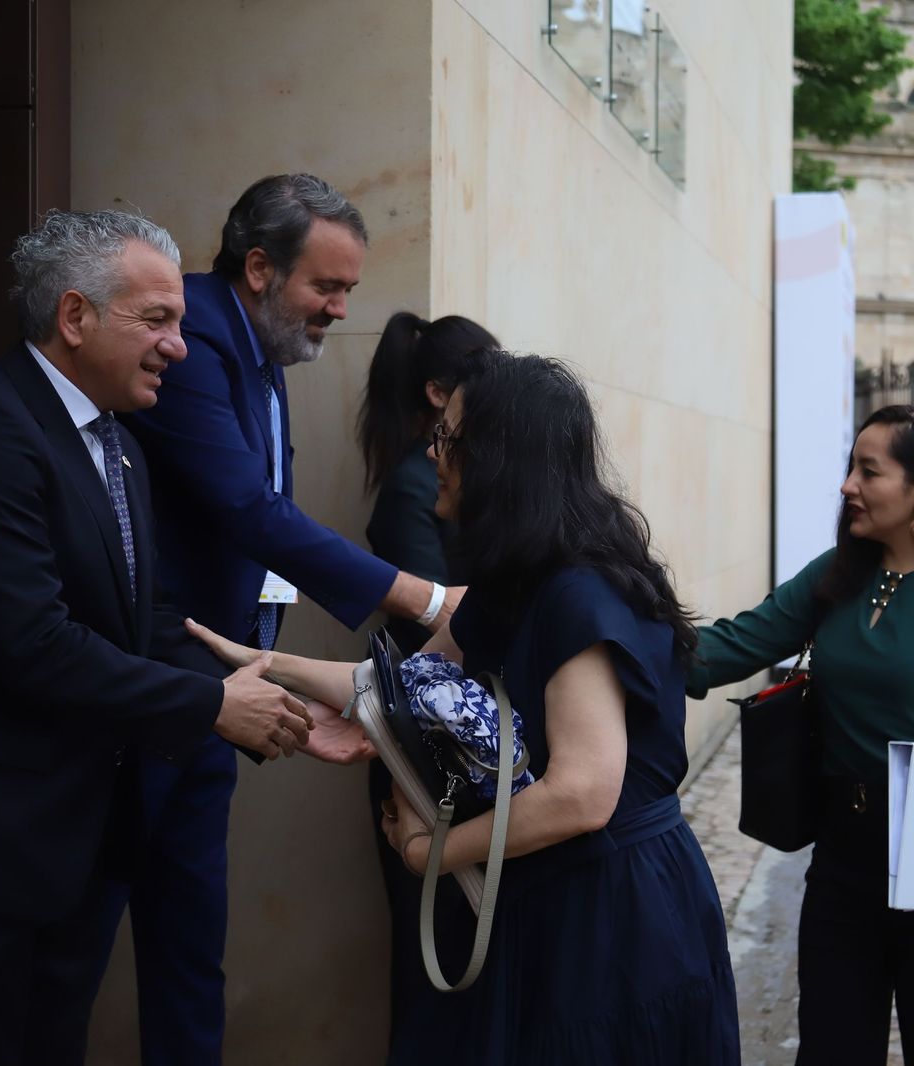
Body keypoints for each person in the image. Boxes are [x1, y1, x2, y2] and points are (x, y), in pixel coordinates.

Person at [189, 352, 741, 1064]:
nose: (431, 452)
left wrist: (430, 853)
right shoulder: (518, 580)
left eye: (448, 437)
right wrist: (268, 666)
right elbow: (402, 684)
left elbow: (583, 793)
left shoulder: (578, 592)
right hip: (554, 897)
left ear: (501, 459)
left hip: (613, 915)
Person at [0, 211, 312, 1066]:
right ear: (75, 316)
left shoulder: (119, 444)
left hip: (66, 860)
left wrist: (277, 692)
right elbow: (35, 643)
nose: (179, 347)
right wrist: (212, 705)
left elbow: (141, 621)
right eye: (158, 320)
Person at [114, 174, 458, 1062]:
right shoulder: (193, 336)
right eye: (327, 286)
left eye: (348, 289)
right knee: (87, 930)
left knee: (192, 946)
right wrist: (423, 597)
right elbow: (247, 509)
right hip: (147, 688)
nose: (341, 309)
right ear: (261, 267)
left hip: (218, 691)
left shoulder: (263, 346)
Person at [689, 405, 914, 1065]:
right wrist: (614, 637)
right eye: (850, 468)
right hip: (843, 859)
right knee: (832, 1047)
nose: (848, 486)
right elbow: (734, 644)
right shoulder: (838, 575)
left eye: (869, 471)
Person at [355, 310, 499, 1063]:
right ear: (439, 394)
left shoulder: (474, 479)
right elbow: (435, 625)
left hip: (464, 740)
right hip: (425, 747)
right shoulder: (416, 486)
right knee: (431, 951)